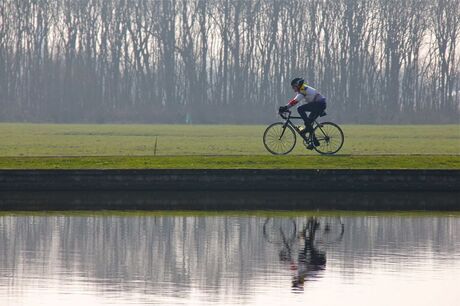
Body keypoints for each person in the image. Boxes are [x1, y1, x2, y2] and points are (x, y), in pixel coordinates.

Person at [279, 78, 327, 149]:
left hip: (319, 104)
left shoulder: (303, 89)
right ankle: (315, 142)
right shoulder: (302, 89)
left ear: (297, 85)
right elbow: (294, 100)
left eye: (293, 87)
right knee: (308, 124)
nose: (293, 89)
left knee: (300, 109)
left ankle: (307, 129)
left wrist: (285, 108)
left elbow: (295, 101)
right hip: (319, 104)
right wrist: (286, 107)